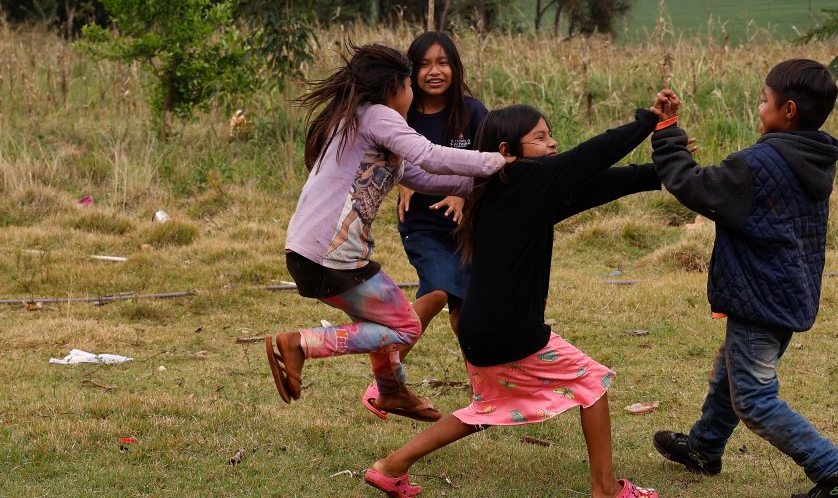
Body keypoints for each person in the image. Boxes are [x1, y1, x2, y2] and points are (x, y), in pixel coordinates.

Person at [364, 100, 674, 498]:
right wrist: (647, 121)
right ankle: (606, 489)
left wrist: (660, 172)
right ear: (506, 152)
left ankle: (391, 467)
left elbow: (593, 187)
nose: (552, 144)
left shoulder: (509, 191)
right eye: (540, 139)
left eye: (550, 136)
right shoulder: (526, 181)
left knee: (487, 408)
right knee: (593, 384)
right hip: (511, 328)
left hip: (481, 328)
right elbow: (591, 156)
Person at [647, 59, 838, 498]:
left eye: (764, 100)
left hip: (760, 297)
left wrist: (668, 132)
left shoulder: (758, 162)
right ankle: (704, 448)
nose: (759, 106)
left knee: (753, 398)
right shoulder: (813, 157)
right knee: (730, 372)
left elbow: (692, 185)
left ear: (787, 110)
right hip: (788, 291)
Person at [265, 43, 510, 423]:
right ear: (397, 85)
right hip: (332, 254)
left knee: (386, 323)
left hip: (312, 252)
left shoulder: (358, 121)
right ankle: (302, 343)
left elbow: (424, 176)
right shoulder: (378, 115)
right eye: (410, 83)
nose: (413, 92)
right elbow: (430, 154)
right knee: (406, 327)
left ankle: (393, 391)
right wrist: (496, 161)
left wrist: (486, 187)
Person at [363, 31, 487, 418]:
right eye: (425, 64)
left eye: (443, 63)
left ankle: (487, 391)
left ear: (455, 67)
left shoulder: (473, 112)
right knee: (436, 291)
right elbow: (388, 153)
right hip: (422, 225)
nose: (434, 72)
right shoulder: (402, 111)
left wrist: (463, 194)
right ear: (410, 72)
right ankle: (383, 382)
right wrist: (402, 182)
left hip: (469, 229)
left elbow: (487, 161)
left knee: (466, 314)